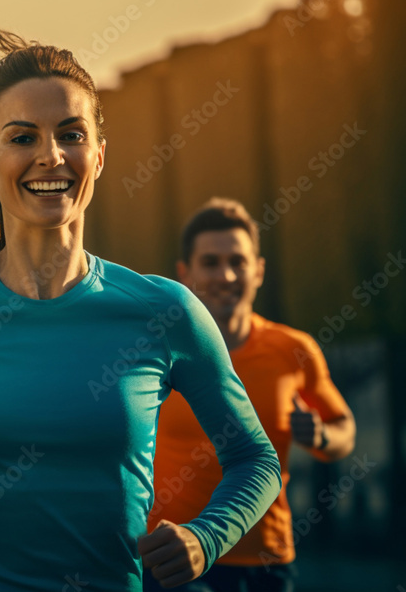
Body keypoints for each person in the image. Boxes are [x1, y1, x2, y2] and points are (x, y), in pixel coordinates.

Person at [0, 18, 282, 592]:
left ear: (100, 157)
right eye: (23, 137)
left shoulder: (166, 311)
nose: (51, 155)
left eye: (71, 134)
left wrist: (208, 537)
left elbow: (256, 459)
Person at [144, 199, 356, 592]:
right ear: (184, 274)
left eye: (238, 261)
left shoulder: (295, 350)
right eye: (210, 262)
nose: (225, 275)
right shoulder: (157, 353)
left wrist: (322, 438)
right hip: (174, 559)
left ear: (258, 271)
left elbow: (344, 429)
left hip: (265, 562)